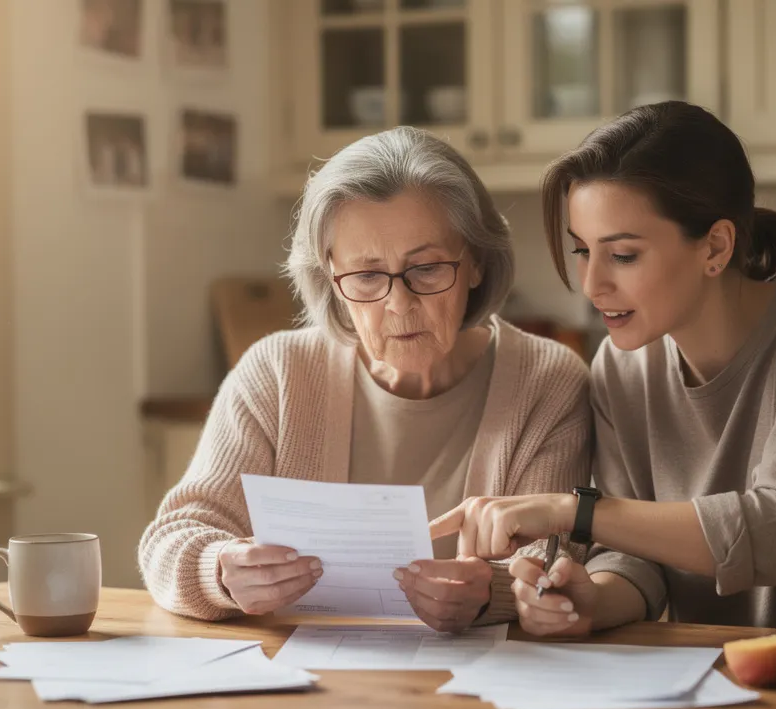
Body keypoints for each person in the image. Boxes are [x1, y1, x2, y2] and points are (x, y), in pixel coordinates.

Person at [430, 101, 776, 635]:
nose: (591, 284)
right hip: (716, 676)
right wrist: (589, 600)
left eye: (622, 255)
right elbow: (636, 557)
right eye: (582, 251)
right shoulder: (623, 368)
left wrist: (569, 510)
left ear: (715, 247)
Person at [139, 126, 591, 632]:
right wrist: (220, 570)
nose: (399, 304)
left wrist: (492, 594)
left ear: (477, 263)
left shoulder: (547, 382)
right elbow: (171, 539)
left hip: (481, 689)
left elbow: (555, 564)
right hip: (301, 684)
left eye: (427, 268)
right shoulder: (277, 374)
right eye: (367, 276)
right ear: (330, 280)